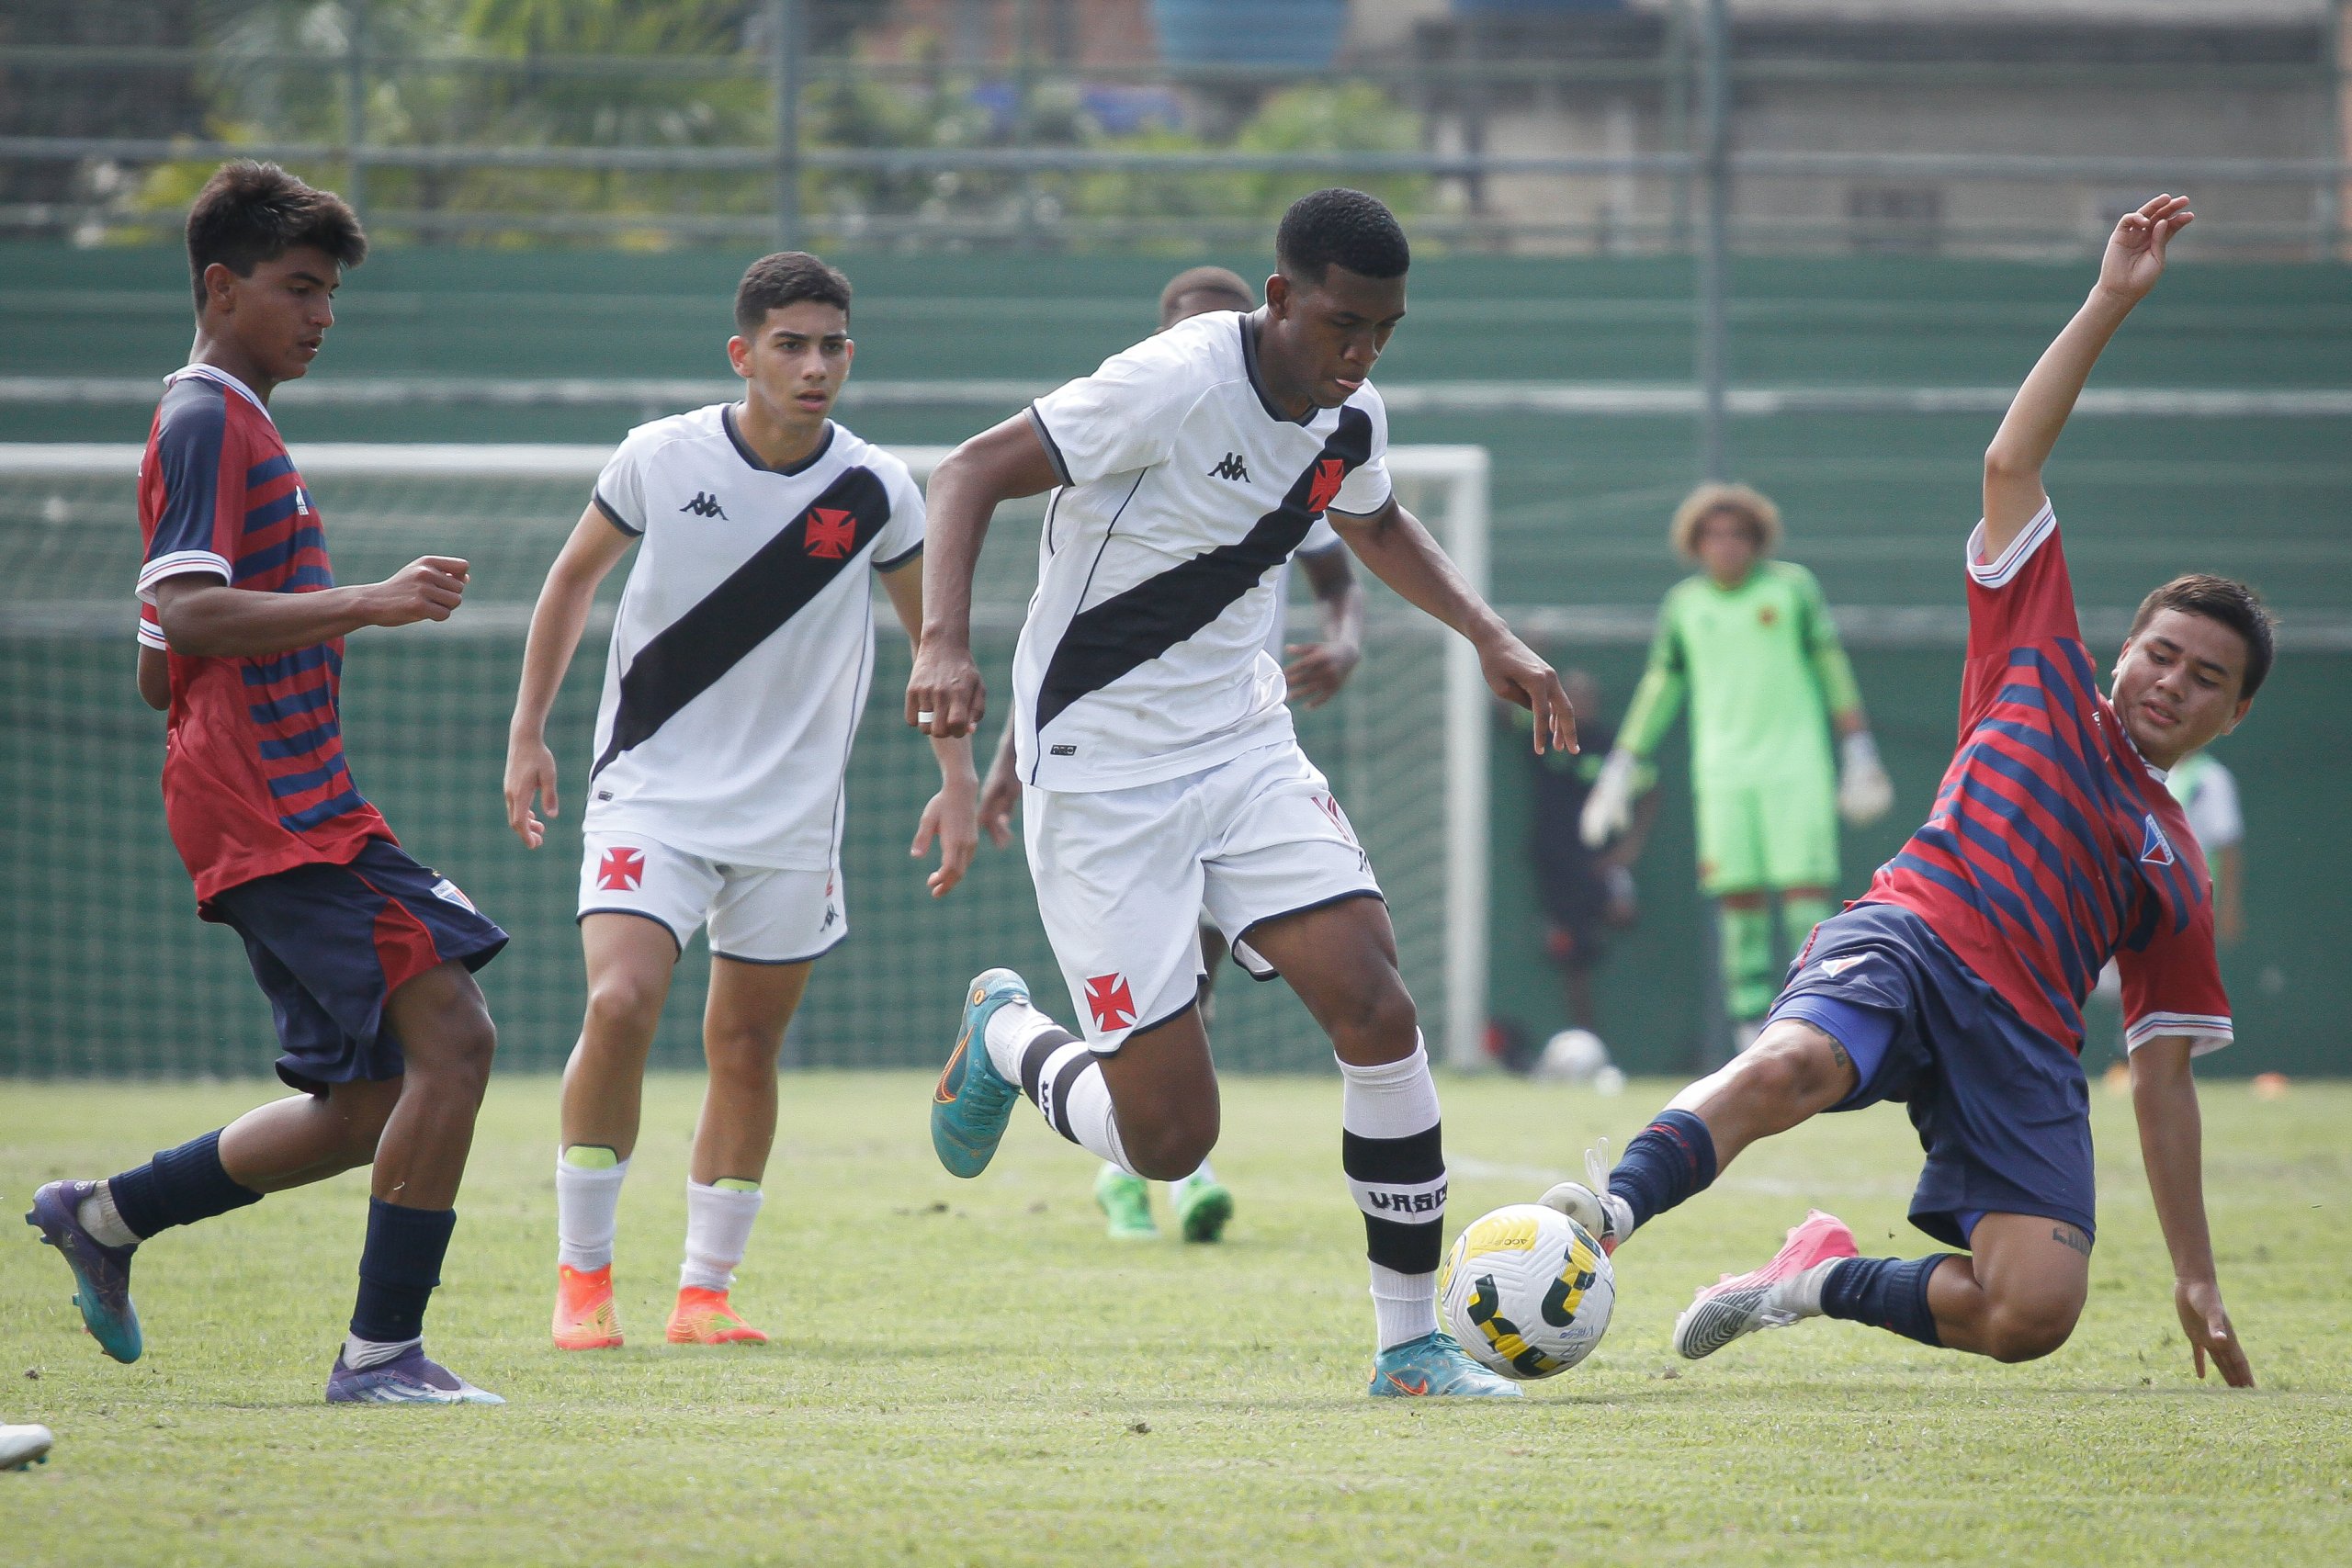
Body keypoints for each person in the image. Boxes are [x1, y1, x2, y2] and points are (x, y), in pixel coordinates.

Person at [1542, 196, 2260, 1390]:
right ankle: (1602, 1215)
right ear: (2124, 648)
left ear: (2233, 715)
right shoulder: (2036, 664)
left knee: (2032, 1307)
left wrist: (2196, 1269)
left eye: (2208, 678)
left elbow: (2168, 1084)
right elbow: (2010, 460)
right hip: (1916, 935)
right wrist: (2111, 299)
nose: (2173, 681)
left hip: (2027, 1036)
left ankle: (1807, 1278)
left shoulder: (2175, 863)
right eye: (2161, 653)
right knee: (1789, 1067)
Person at [912, 188, 1577, 1398]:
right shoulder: (1170, 381)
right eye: (1342, 323)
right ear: (1281, 299)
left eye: (1384, 329)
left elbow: (1373, 523)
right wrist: (941, 641)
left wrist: (1489, 634)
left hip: (1242, 748)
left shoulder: (1350, 413)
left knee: (1377, 1004)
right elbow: (965, 473)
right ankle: (1007, 1037)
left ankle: (1409, 1348)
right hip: (1103, 775)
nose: (1362, 352)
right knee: (1171, 1139)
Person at [28, 162, 509, 1405]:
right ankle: (382, 1356)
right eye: (299, 287)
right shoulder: (206, 417)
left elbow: (157, 664)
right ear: (220, 285)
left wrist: (247, 647)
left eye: (331, 293)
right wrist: (369, 599)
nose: (323, 314)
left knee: (366, 1104)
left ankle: (108, 1214)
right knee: (453, 1036)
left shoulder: (232, 421)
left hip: (269, 789)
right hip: (273, 801)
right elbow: (184, 613)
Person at [504, 253, 977, 1352]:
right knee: (621, 1003)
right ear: (743, 353)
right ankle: (583, 1278)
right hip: (651, 794)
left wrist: (956, 778)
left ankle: (704, 1293)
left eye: (833, 347)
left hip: (791, 821)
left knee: (746, 1047)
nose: (815, 367)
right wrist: (528, 730)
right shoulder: (658, 458)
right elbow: (572, 578)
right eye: (791, 345)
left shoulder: (878, 490)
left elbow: (931, 645)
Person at [975, 264, 1367, 1245]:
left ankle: (1186, 1166)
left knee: (1257, 986)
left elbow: (1342, 552)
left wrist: (1347, 636)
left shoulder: (1300, 429)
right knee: (1161, 1094)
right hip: (1108, 773)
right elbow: (1067, 630)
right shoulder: (1135, 421)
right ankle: (1135, 1151)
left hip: (1232, 751)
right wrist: (1005, 756)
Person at [1580, 483, 1894, 1050]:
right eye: (1713, 535)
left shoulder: (1793, 590)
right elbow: (1661, 686)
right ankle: (1752, 1031)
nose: (1726, 545)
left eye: (1738, 534)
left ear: (1757, 541)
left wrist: (1859, 748)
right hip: (1723, 775)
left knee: (1806, 896)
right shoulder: (1685, 605)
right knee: (1739, 900)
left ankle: (1818, 1017)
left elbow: (1831, 665)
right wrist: (1621, 766)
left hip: (1795, 769)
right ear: (1695, 543)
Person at [1524, 670, 1652, 1044]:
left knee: (1621, 919)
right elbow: (1502, 710)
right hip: (1556, 866)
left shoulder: (1608, 746)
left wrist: (1629, 848)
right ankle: (1584, 1041)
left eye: (1586, 697)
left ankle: (1637, 1041)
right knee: (1569, 953)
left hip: (1599, 865)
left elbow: (1650, 789)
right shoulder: (1542, 738)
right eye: (1572, 696)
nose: (1579, 704)